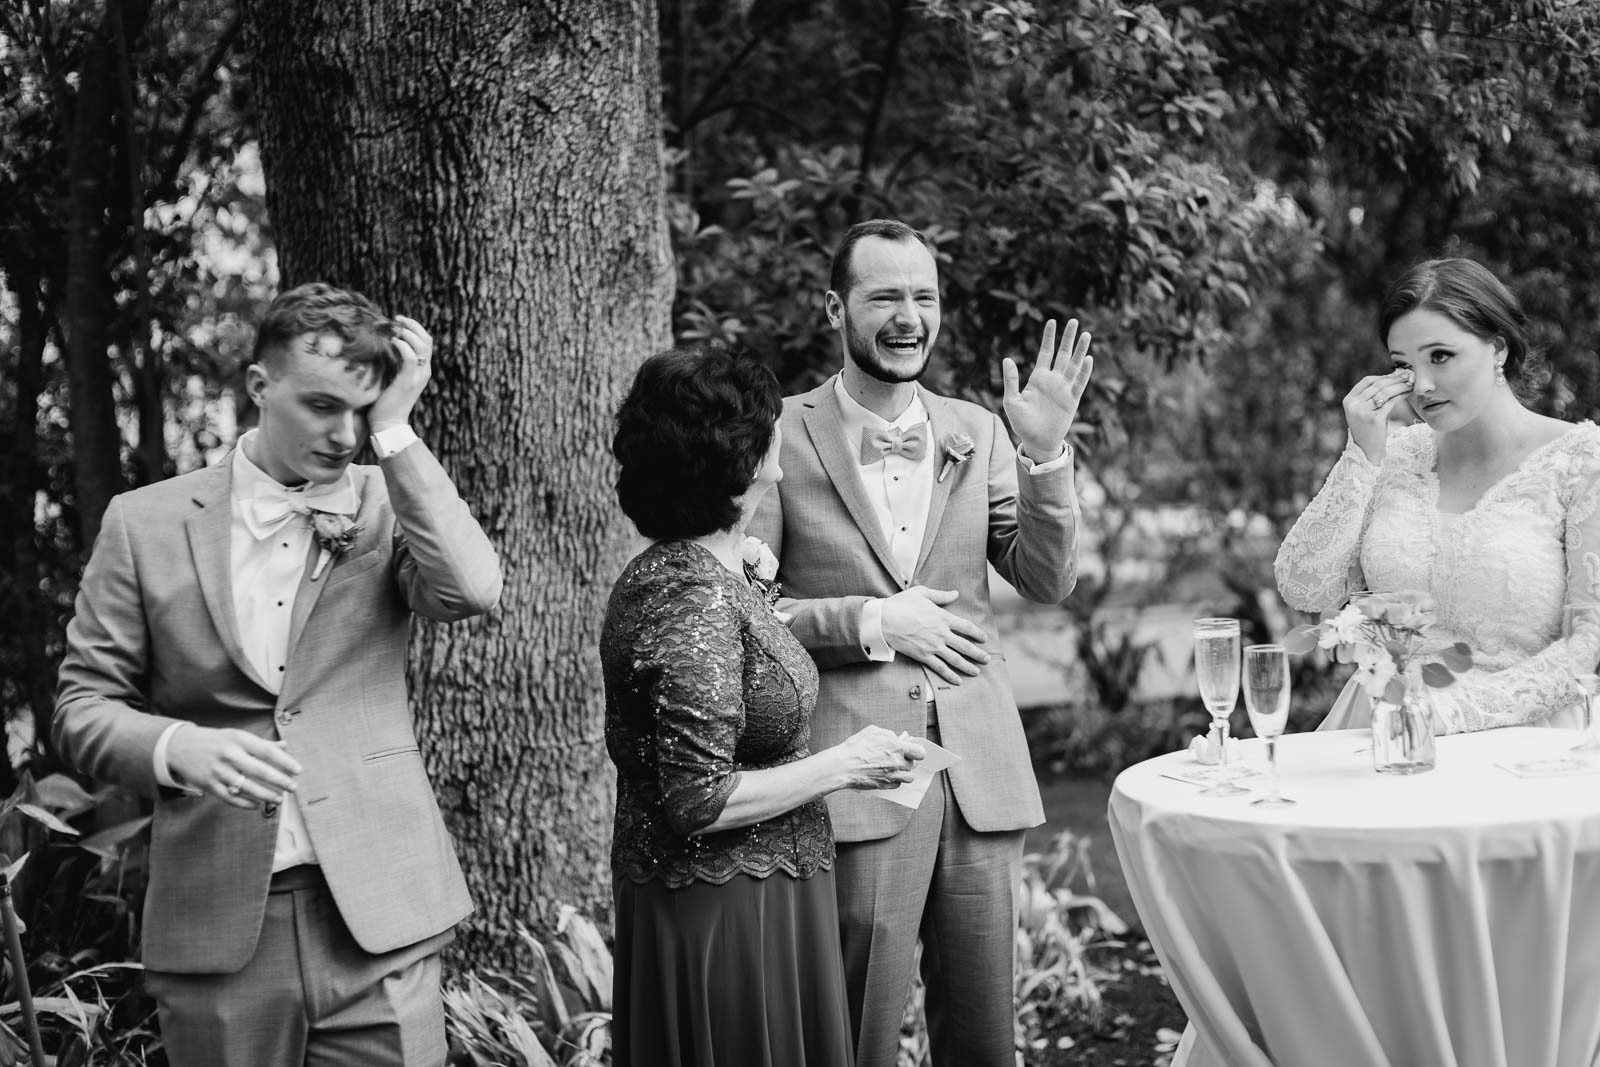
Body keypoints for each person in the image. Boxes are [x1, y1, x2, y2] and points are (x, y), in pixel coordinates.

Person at [53, 283, 503, 1066]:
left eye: (363, 410)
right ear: (260, 387)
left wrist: (396, 432)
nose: (344, 434)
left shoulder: (389, 499)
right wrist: (176, 748)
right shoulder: (144, 522)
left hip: (377, 916)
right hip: (219, 928)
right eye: (323, 405)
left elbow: (470, 588)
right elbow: (80, 706)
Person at [748, 219, 1092, 1067]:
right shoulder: (778, 434)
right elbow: (743, 616)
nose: (909, 317)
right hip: (852, 768)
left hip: (978, 768)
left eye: (924, 297)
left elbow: (1046, 579)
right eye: (885, 296)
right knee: (854, 1025)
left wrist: (1044, 455)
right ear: (837, 307)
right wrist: (872, 619)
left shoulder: (976, 430)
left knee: (983, 1033)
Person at [602, 343, 928, 1067]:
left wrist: (751, 575)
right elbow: (699, 799)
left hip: (767, 898)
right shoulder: (688, 596)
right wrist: (843, 764)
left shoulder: (709, 573)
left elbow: (738, 677)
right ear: (747, 463)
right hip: (728, 919)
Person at [1276, 257, 1600, 732]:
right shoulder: (1395, 455)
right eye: (1403, 366)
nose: (1422, 386)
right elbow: (1305, 585)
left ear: (1498, 350)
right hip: (1384, 727)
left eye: (1441, 356)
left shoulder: (1581, 461)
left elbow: (1589, 644)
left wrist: (1454, 713)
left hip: (1528, 743)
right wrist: (1361, 454)